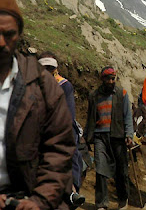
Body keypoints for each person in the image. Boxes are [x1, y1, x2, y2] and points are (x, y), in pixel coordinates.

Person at [0, 0, 75, 209]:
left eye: (9, 34)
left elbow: (59, 149)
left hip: (33, 198)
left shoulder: (43, 85)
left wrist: (39, 201)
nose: (1, 43)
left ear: (19, 33)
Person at [38, 52, 85, 208]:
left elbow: (69, 114)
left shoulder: (65, 85)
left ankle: (72, 190)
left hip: (61, 126)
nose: (47, 71)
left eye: (50, 68)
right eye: (44, 68)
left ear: (55, 69)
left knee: (70, 153)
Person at [84, 66, 133, 210]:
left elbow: (127, 117)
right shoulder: (94, 96)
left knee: (121, 171)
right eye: (108, 78)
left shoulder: (121, 94)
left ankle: (123, 200)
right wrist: (86, 136)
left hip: (117, 137)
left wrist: (129, 134)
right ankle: (101, 203)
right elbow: (90, 119)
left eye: (113, 78)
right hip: (100, 137)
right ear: (102, 79)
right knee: (100, 170)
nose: (111, 81)